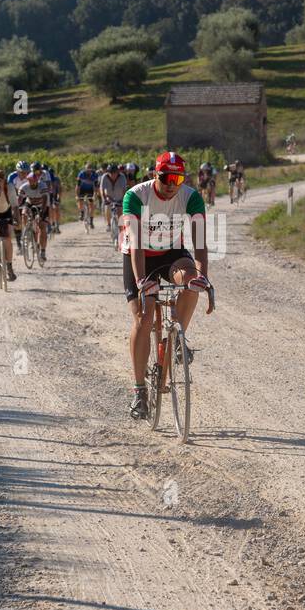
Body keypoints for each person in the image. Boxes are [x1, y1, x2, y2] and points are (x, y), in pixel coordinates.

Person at [122, 150, 214, 419]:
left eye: (178, 178)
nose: (172, 183)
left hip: (171, 252)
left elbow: (199, 243)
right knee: (144, 314)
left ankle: (178, 338)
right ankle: (139, 390)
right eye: (166, 177)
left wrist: (203, 275)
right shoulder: (136, 196)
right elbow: (137, 243)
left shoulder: (191, 197)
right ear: (155, 175)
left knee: (191, 280)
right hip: (138, 256)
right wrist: (142, 283)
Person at [17, 164, 51, 262]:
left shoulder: (42, 185)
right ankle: (27, 231)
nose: (32, 183)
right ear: (28, 180)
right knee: (23, 213)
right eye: (30, 181)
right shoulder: (24, 187)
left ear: (37, 180)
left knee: (42, 226)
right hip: (30, 203)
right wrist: (15, 207)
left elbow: (45, 201)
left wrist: (41, 214)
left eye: (34, 181)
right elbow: (20, 200)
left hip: (42, 205)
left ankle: (43, 251)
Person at [100, 162, 128, 235]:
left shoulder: (122, 177)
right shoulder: (104, 177)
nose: (112, 174)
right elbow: (102, 189)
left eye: (114, 173)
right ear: (108, 172)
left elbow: (124, 190)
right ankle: (108, 224)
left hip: (119, 197)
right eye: (110, 173)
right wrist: (104, 199)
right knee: (107, 207)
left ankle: (121, 229)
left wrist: (123, 200)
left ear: (117, 172)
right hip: (109, 197)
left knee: (120, 211)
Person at [75, 161, 99, 227]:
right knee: (80, 200)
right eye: (87, 169)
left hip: (90, 190)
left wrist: (95, 195)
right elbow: (78, 186)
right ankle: (82, 212)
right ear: (85, 169)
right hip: (82, 189)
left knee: (92, 205)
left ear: (92, 170)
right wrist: (77, 195)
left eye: (89, 170)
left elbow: (96, 187)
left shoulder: (95, 175)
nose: (88, 171)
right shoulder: (81, 174)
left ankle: (91, 221)